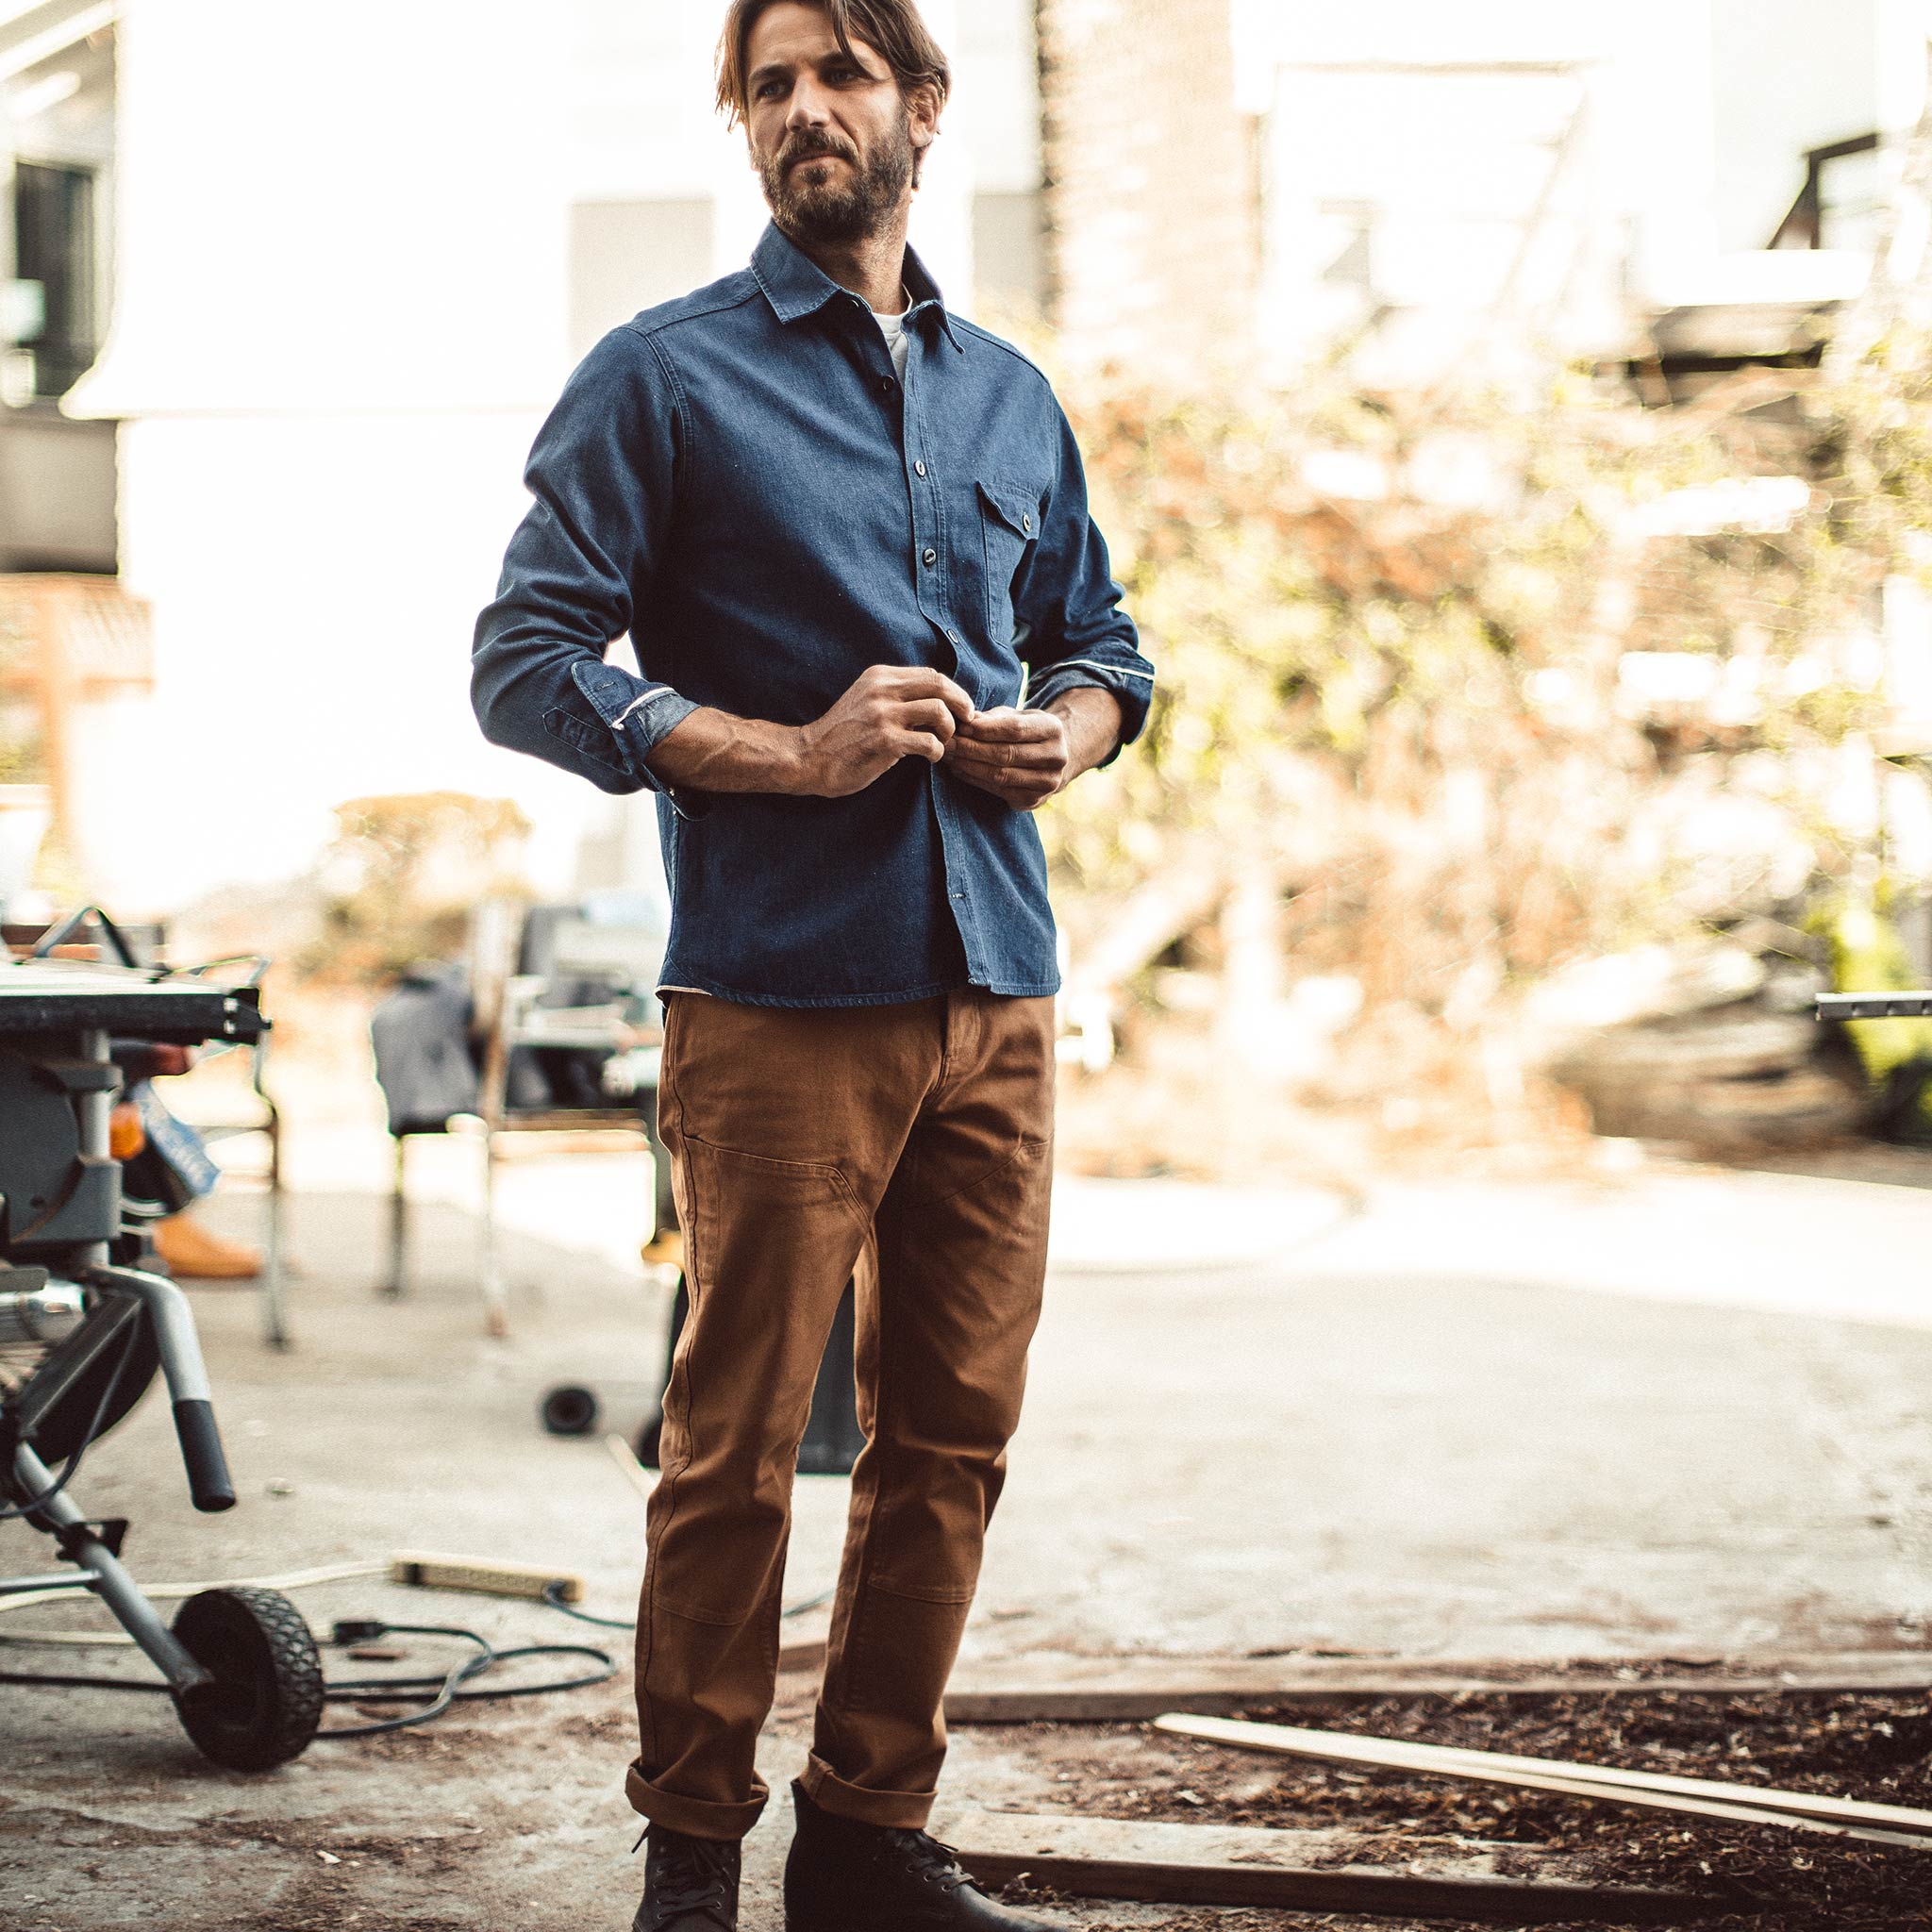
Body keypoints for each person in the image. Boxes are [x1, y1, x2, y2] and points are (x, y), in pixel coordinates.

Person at [472, 2, 1155, 1924]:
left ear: (921, 106)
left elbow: (1102, 637)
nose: (804, 110)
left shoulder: (1010, 393)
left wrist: (1068, 734)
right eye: (769, 85)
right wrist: (776, 752)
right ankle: (693, 1843)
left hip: (996, 983)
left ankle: (864, 1832)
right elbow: (524, 660)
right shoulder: (662, 378)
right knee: (734, 1443)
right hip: (777, 993)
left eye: (842, 73)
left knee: (952, 1435)